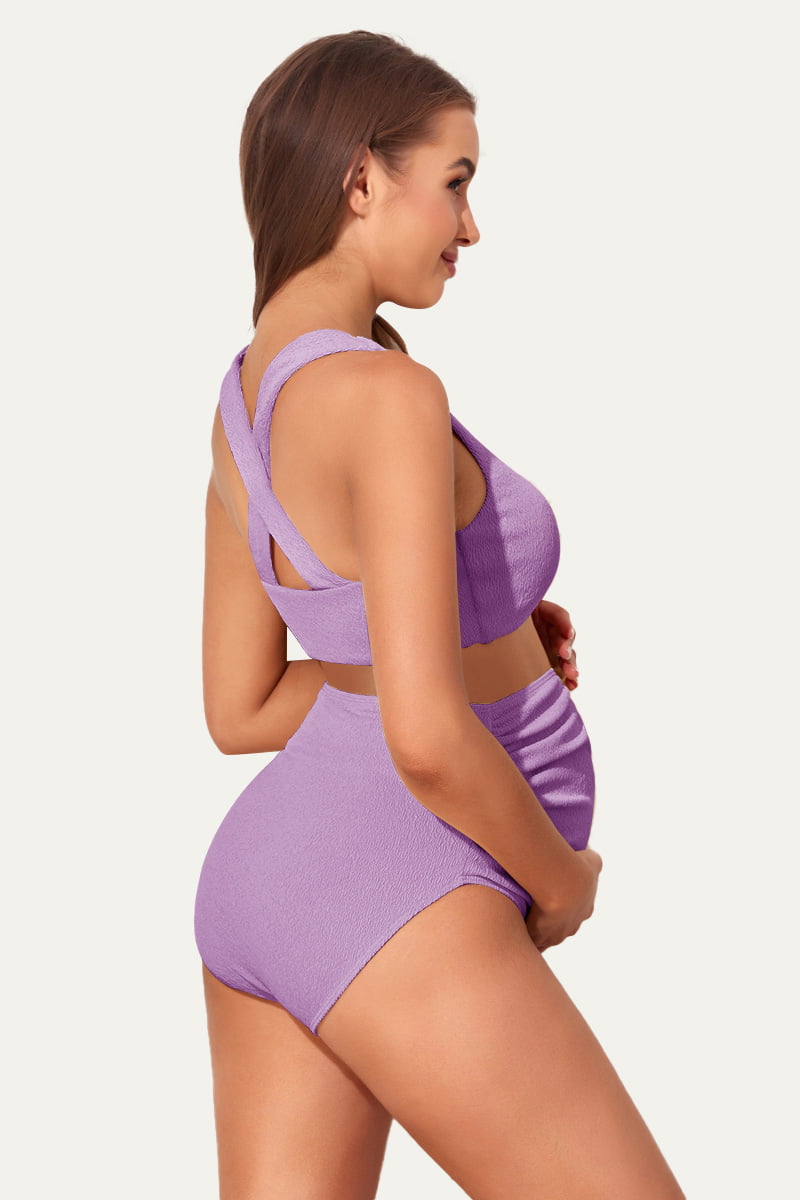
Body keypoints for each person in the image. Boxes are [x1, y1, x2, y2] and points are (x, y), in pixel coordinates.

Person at [193, 30, 685, 1199]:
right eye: (456, 182)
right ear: (361, 179)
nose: (470, 227)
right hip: (392, 876)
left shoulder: (242, 402)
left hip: (272, 876)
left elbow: (241, 707)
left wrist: (479, 638)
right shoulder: (388, 394)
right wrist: (561, 882)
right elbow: (420, 736)